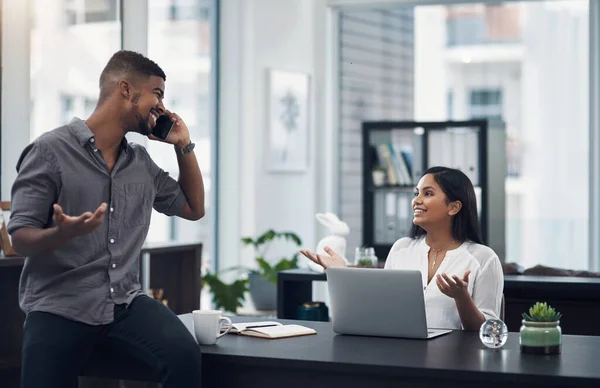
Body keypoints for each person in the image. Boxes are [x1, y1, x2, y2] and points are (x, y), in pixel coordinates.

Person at [7, 50, 204, 388]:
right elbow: (20, 238)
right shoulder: (49, 151)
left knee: (185, 353)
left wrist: (183, 144)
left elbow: (193, 209)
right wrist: (60, 235)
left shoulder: (141, 162)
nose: (161, 107)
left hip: (125, 301)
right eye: (157, 94)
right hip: (59, 303)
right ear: (126, 89)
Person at [300, 166, 503, 331]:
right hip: (401, 355)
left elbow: (488, 331)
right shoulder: (401, 249)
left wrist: (462, 297)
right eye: (416, 193)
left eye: (428, 193)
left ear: (453, 207)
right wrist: (340, 273)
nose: (416, 200)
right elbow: (382, 311)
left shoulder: (483, 259)